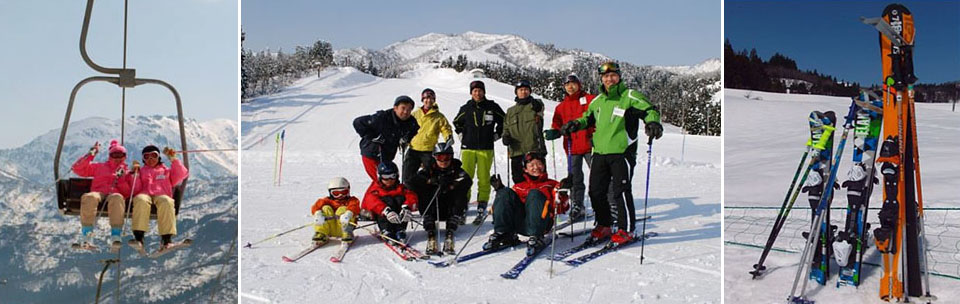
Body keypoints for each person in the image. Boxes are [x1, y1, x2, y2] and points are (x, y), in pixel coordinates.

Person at [560, 61, 663, 245]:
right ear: (601, 79)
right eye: (606, 76)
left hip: (622, 153)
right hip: (599, 152)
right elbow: (587, 118)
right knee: (596, 192)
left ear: (619, 76)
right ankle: (604, 225)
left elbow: (649, 110)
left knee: (620, 191)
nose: (609, 79)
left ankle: (627, 229)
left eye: (613, 75)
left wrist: (653, 122)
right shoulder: (598, 101)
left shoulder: (629, 96)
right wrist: (575, 124)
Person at [482, 153, 569, 255]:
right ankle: (503, 232)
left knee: (534, 193)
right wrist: (500, 190)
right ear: (525, 169)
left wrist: (562, 193)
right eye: (531, 165)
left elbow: (562, 208)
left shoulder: (552, 184)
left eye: (539, 164)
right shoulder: (519, 186)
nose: (536, 167)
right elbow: (511, 205)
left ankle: (536, 236)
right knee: (505, 192)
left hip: (541, 224)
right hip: (520, 224)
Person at [544, 74, 596, 222]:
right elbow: (557, 125)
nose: (570, 87)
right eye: (567, 85)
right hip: (572, 146)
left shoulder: (591, 100)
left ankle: (607, 204)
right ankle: (577, 205)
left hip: (591, 144)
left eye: (573, 83)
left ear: (579, 85)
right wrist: (554, 132)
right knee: (575, 178)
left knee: (600, 176)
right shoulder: (561, 107)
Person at [406, 141, 472, 255]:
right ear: (434, 157)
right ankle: (429, 225)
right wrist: (430, 182)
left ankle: (452, 224)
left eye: (447, 157)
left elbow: (467, 181)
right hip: (433, 207)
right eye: (440, 157)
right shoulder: (429, 169)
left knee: (460, 193)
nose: (443, 161)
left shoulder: (456, 169)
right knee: (424, 191)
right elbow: (411, 182)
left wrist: (451, 185)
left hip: (449, 209)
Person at [452, 80, 505, 223]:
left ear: (484, 92)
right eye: (474, 91)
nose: (477, 93)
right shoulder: (466, 108)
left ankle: (482, 205)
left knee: (483, 177)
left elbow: (504, 120)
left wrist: (498, 134)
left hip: (486, 148)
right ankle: (463, 206)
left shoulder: (492, 107)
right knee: (465, 178)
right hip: (468, 148)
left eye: (480, 90)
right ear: (471, 93)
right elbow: (456, 122)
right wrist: (460, 133)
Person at [125, 145, 189, 251]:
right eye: (147, 157)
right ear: (143, 159)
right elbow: (136, 189)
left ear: (159, 157)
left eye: (153, 156)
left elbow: (182, 174)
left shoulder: (166, 171)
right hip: (145, 193)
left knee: (167, 201)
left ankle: (166, 240)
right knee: (141, 200)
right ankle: (139, 237)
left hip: (161, 194)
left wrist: (174, 159)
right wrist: (134, 175)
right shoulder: (141, 171)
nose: (150, 159)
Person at [71, 140, 131, 250]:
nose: (117, 158)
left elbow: (128, 193)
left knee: (117, 198)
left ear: (124, 156)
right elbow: (77, 169)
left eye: (120, 155)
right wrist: (91, 154)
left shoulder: (127, 171)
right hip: (99, 192)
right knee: (89, 197)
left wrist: (122, 180)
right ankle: (87, 234)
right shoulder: (100, 167)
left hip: (115, 193)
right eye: (114, 155)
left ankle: (116, 234)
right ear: (110, 156)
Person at [353, 95, 420, 182]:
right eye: (403, 108)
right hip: (372, 154)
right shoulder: (382, 117)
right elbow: (358, 122)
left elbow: (414, 130)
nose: (405, 112)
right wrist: (373, 136)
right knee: (382, 181)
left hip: (388, 154)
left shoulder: (411, 121)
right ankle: (374, 195)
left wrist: (406, 139)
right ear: (395, 108)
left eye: (409, 109)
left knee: (389, 180)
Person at [403, 88, 454, 185]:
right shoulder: (415, 114)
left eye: (431, 98)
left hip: (428, 151)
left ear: (434, 100)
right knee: (408, 176)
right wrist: (403, 138)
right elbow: (406, 127)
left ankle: (428, 196)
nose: (428, 101)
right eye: (426, 98)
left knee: (429, 176)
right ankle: (409, 196)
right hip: (413, 149)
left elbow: (445, 128)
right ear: (422, 100)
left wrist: (448, 137)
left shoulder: (439, 116)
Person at [502, 79, 547, 185]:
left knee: (538, 180)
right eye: (521, 90)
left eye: (526, 89)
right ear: (516, 92)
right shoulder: (510, 111)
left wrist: (537, 107)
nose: (523, 92)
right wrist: (505, 136)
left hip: (534, 149)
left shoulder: (536, 105)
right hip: (516, 151)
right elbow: (506, 128)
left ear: (530, 91)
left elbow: (541, 110)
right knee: (518, 180)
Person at [361, 162, 419, 242]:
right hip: (380, 214)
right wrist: (386, 211)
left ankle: (400, 229)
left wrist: (407, 207)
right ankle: (386, 230)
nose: (389, 180)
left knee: (400, 199)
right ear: (380, 177)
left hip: (396, 214)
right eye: (385, 177)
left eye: (392, 176)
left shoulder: (400, 188)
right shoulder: (375, 188)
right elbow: (371, 201)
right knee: (387, 200)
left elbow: (411, 196)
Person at [309, 177, 361, 245]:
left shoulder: (352, 200)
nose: (340, 195)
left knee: (342, 209)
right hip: (329, 229)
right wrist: (318, 214)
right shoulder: (327, 201)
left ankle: (347, 234)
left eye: (344, 192)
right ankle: (321, 233)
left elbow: (354, 206)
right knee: (326, 208)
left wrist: (348, 214)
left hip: (344, 228)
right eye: (336, 193)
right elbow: (316, 206)